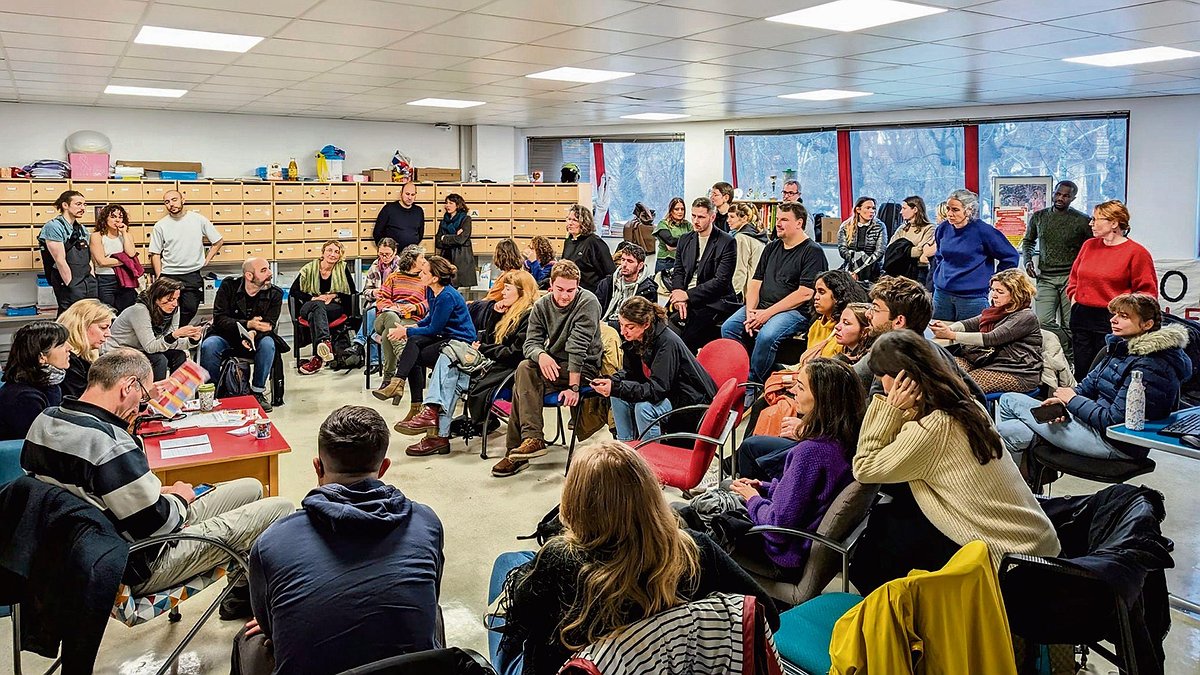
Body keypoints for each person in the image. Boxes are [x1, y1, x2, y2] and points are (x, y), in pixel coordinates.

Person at [22, 348, 293, 619]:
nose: (143, 404)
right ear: (128, 385)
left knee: (252, 486)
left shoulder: (44, 421)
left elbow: (90, 491)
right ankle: (254, 602)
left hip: (88, 552)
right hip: (139, 562)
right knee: (280, 508)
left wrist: (156, 492)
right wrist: (180, 496)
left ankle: (242, 592)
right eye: (144, 393)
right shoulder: (110, 444)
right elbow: (158, 523)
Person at [491, 441, 778, 675]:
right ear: (651, 495)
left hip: (573, 668)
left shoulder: (560, 561)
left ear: (576, 504)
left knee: (507, 562)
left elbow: (522, 622)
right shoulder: (695, 551)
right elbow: (767, 618)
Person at [233, 406, 443, 675]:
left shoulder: (272, 542)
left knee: (248, 640)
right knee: (432, 613)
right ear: (384, 467)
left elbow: (270, 626)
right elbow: (431, 591)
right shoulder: (426, 522)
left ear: (317, 467)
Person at [851, 330, 1060, 592]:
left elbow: (865, 467)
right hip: (1030, 543)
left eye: (883, 378)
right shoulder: (964, 404)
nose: (882, 385)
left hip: (1008, 559)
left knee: (874, 553)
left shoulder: (935, 429)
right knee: (893, 522)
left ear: (903, 381)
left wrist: (887, 408)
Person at [698, 358, 863, 578]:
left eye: (801, 387)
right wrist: (764, 487)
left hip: (781, 555)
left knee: (692, 523)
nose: (793, 391)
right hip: (800, 542)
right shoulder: (846, 442)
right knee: (725, 490)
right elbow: (805, 497)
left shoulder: (811, 452)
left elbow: (777, 527)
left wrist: (753, 498)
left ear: (822, 399)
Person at [998, 293, 1190, 464]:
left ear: (1147, 325)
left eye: (1124, 316)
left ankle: (1015, 490)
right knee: (1010, 419)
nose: (1114, 320)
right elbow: (1088, 386)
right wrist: (1063, 403)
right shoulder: (1120, 347)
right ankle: (1025, 486)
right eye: (1114, 314)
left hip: (1114, 443)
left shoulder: (1151, 365)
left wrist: (1072, 400)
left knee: (1006, 416)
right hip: (1090, 423)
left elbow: (1115, 422)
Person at [400, 270, 539, 455]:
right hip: (489, 364)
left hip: (504, 372)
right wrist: (495, 316)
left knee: (450, 354)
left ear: (522, 292)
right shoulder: (506, 312)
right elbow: (490, 339)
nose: (502, 292)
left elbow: (514, 354)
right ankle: (436, 428)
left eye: (507, 289)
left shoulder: (528, 317)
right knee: (449, 367)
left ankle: (435, 426)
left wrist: (481, 349)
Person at [491, 261, 602, 478]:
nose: (564, 296)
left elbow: (578, 349)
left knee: (522, 383)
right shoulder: (542, 305)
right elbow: (530, 343)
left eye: (570, 290)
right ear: (550, 285)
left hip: (582, 369)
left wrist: (574, 388)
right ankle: (528, 442)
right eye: (560, 289)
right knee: (525, 368)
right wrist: (541, 355)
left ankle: (519, 448)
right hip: (553, 365)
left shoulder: (587, 302)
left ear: (578, 286)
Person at [721, 202, 828, 383]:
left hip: (794, 312)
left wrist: (765, 315)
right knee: (729, 328)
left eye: (784, 219)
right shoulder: (771, 247)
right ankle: (749, 371)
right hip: (761, 307)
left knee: (767, 335)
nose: (778, 223)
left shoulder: (812, 252)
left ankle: (752, 383)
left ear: (799, 223)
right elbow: (755, 282)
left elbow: (804, 293)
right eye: (777, 219)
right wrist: (750, 312)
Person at [591, 297, 716, 443]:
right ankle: (627, 447)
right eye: (621, 325)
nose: (623, 331)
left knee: (644, 409)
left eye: (629, 327)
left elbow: (658, 389)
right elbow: (629, 373)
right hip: (669, 392)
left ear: (645, 324)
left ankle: (650, 457)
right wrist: (612, 381)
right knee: (617, 396)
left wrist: (617, 387)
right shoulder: (637, 338)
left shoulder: (666, 343)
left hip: (689, 399)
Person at [853, 275, 988, 405]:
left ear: (899, 321)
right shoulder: (939, 352)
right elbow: (978, 398)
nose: (867, 314)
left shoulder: (891, 359)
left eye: (875, 309)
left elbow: (845, 385)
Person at [1066, 199, 1157, 381]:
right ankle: (1079, 407)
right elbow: (1074, 277)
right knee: (1082, 373)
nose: (1091, 223)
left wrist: (1126, 316)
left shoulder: (1136, 252)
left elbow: (1147, 294)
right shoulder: (1089, 245)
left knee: (1105, 375)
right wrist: (1074, 297)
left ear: (1114, 223)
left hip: (1112, 320)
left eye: (1096, 219)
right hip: (1082, 317)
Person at [384, 255, 475, 417]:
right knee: (413, 344)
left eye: (424, 273)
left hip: (459, 340)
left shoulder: (447, 296)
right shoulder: (431, 290)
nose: (420, 275)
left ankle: (407, 396)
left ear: (435, 278)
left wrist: (406, 331)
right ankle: (403, 391)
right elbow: (430, 317)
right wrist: (414, 326)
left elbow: (434, 328)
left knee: (415, 354)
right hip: (445, 335)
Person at [930, 268, 1042, 394]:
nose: (994, 295)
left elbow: (991, 338)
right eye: (993, 290)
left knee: (961, 387)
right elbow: (971, 323)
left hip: (1016, 372)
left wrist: (951, 335)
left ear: (1016, 294)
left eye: (1000, 292)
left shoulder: (1025, 316)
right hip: (986, 361)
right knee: (941, 371)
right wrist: (948, 328)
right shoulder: (998, 310)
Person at [200, 257, 284, 412]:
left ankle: (258, 392)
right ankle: (213, 393)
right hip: (226, 335)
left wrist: (251, 332)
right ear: (249, 276)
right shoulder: (228, 286)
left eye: (269, 269)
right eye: (264, 270)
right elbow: (219, 319)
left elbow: (268, 325)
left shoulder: (275, 294)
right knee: (209, 346)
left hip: (256, 337)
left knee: (268, 344)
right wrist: (247, 324)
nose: (270, 273)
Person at [1022, 181, 1091, 363]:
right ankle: (1067, 353)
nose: (1061, 198)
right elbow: (1028, 241)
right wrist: (1028, 260)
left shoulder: (1082, 220)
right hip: (1045, 276)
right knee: (1043, 321)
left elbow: (1092, 248)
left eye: (1066, 196)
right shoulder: (1039, 217)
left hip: (1071, 278)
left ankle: (1070, 362)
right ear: (1053, 193)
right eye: (1058, 194)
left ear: (1073, 198)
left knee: (1070, 324)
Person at [931, 188, 1019, 322]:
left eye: (955, 210)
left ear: (969, 210)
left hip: (972, 298)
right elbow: (940, 256)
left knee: (972, 340)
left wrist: (996, 280)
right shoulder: (943, 229)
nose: (949, 213)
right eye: (948, 209)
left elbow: (1010, 257)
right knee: (940, 338)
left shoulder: (984, 231)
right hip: (942, 294)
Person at [667, 197, 738, 353]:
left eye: (701, 217)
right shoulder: (685, 239)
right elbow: (678, 270)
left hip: (714, 300)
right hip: (685, 296)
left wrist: (686, 295)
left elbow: (721, 282)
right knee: (661, 326)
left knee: (686, 335)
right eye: (693, 216)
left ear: (712, 217)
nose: (695, 221)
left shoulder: (727, 242)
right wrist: (678, 293)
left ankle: (688, 371)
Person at [149, 190, 224, 326]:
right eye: (167, 202)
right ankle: (168, 340)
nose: (171, 204)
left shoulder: (198, 219)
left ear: (183, 199)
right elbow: (155, 253)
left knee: (190, 307)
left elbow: (218, 241)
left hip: (191, 274)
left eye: (174, 200)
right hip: (169, 274)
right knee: (166, 311)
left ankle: (178, 335)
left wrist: (206, 259)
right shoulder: (160, 225)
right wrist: (160, 276)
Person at [104, 277, 203, 380]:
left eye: (176, 299)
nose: (174, 304)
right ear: (156, 298)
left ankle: (174, 395)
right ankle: (154, 394)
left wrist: (192, 340)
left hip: (142, 348)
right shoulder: (139, 311)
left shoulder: (174, 310)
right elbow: (150, 347)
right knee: (159, 360)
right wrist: (175, 335)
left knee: (179, 356)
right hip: (119, 350)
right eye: (170, 299)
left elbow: (168, 343)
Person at [371, 245, 430, 409]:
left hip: (410, 320)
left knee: (387, 335)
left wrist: (414, 308)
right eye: (422, 259)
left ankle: (389, 379)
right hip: (386, 317)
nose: (425, 262)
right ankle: (403, 356)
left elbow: (428, 303)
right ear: (412, 260)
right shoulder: (393, 277)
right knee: (391, 318)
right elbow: (381, 299)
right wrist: (395, 308)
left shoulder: (425, 280)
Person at [291, 240, 357, 375]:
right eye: (329, 250)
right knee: (317, 307)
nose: (332, 254)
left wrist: (333, 295)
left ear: (340, 256)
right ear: (323, 252)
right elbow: (294, 291)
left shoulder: (342, 269)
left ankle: (318, 357)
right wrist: (313, 298)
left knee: (315, 314)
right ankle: (325, 344)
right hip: (309, 304)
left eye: (336, 252)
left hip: (333, 307)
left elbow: (352, 292)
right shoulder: (309, 268)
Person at [0, 321, 69, 441]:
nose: (70, 348)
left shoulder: (49, 384)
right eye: (61, 344)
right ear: (41, 357)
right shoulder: (24, 398)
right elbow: (38, 442)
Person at [38, 190, 97, 314]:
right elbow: (60, 260)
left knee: (88, 316)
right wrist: (71, 284)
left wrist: (92, 278)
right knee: (69, 315)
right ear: (65, 205)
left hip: (86, 279)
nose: (83, 208)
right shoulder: (54, 227)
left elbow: (88, 258)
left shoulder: (82, 229)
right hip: (68, 279)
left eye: (84, 205)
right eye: (78, 204)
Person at [796, 270, 869, 363]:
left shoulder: (847, 332)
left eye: (821, 292)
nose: (815, 297)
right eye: (816, 291)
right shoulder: (816, 325)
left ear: (838, 296)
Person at [57, 299, 115, 398]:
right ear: (82, 325)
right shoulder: (67, 361)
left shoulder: (82, 358)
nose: (108, 334)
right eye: (103, 327)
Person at [360, 238, 403, 370]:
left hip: (393, 305)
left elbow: (402, 293)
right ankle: (374, 362)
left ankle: (359, 342)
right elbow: (365, 291)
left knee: (374, 314)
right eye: (381, 254)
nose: (383, 257)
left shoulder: (402, 267)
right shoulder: (374, 266)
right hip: (376, 303)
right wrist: (374, 293)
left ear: (395, 252)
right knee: (372, 313)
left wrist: (386, 295)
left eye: (387, 254)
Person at [89, 203, 140, 313]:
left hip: (126, 278)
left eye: (120, 217)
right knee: (107, 313)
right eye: (113, 217)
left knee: (127, 312)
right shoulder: (97, 236)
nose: (117, 220)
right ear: (105, 219)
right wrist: (126, 261)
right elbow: (102, 261)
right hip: (106, 279)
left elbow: (131, 254)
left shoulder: (127, 235)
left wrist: (124, 233)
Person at [594, 243, 656, 330]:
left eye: (630, 261)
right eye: (623, 260)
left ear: (640, 265)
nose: (624, 265)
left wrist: (608, 325)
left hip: (628, 329)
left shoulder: (647, 290)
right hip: (602, 323)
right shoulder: (607, 283)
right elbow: (596, 308)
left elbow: (638, 321)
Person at [561, 204, 615, 293]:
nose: (570, 223)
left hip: (591, 293)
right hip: (572, 291)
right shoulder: (569, 241)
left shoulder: (594, 242)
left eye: (575, 220)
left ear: (584, 223)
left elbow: (610, 273)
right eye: (569, 219)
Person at [837, 196, 888, 282]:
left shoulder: (880, 226)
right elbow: (842, 248)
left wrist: (863, 264)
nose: (872, 211)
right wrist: (854, 261)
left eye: (873, 208)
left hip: (873, 268)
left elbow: (880, 250)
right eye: (868, 208)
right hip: (850, 265)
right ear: (858, 210)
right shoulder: (846, 226)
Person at [728, 202, 768, 303]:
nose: (728, 220)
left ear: (744, 218)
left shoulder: (741, 238)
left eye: (732, 217)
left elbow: (740, 269)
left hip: (749, 290)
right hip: (761, 287)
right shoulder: (759, 234)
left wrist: (735, 294)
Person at [437, 192, 477, 288]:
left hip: (460, 259)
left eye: (451, 203)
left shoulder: (466, 219)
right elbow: (438, 241)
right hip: (446, 258)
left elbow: (461, 240)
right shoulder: (443, 221)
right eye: (446, 203)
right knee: (445, 286)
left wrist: (445, 238)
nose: (447, 206)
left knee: (457, 287)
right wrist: (453, 237)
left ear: (458, 205)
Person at [893, 195, 936, 285]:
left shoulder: (929, 228)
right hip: (899, 272)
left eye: (904, 208)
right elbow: (891, 249)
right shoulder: (902, 228)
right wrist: (908, 251)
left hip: (919, 273)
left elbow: (920, 252)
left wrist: (901, 250)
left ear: (915, 209)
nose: (901, 212)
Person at [373, 181, 424, 249]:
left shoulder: (419, 211)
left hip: (411, 253)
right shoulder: (389, 209)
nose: (410, 197)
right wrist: (385, 250)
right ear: (401, 193)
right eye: (407, 194)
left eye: (412, 195)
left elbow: (420, 233)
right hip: (392, 253)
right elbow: (377, 232)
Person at [652, 197, 690, 278]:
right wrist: (687, 241)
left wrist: (679, 244)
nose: (680, 212)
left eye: (682, 209)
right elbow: (671, 243)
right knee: (662, 288)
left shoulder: (687, 225)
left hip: (682, 262)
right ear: (671, 210)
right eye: (677, 209)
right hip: (665, 262)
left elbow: (696, 241)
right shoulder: (663, 224)